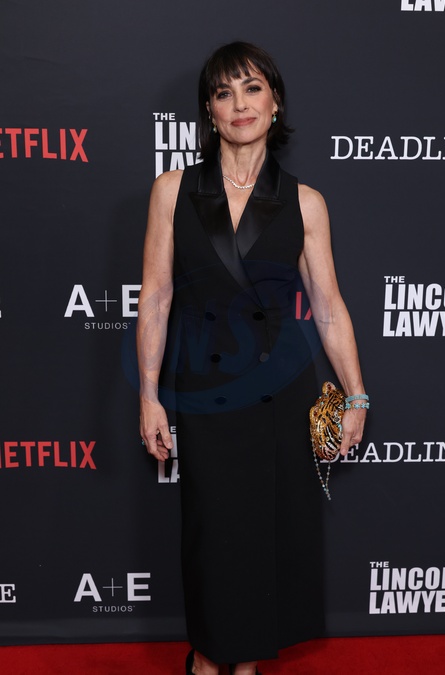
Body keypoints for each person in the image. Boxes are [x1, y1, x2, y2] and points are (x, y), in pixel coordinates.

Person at [137, 42, 367, 675]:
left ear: (275, 102)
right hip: (207, 389)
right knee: (216, 536)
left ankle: (245, 665)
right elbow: (156, 297)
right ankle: (207, 661)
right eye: (223, 92)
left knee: (268, 535)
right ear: (209, 112)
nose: (239, 104)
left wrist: (356, 394)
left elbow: (329, 306)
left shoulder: (305, 201)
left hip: (280, 393)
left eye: (252, 88)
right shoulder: (173, 190)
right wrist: (149, 395)